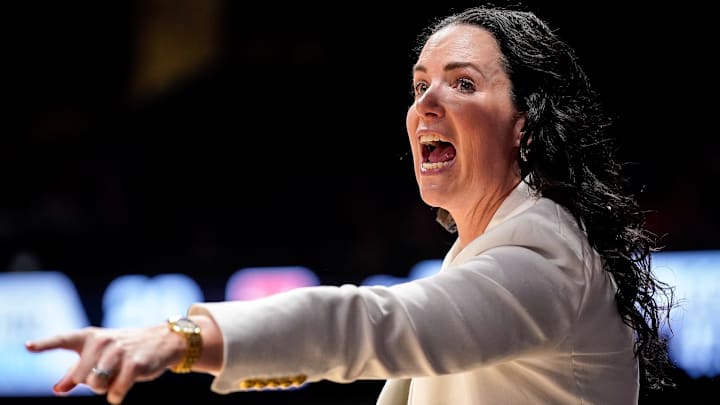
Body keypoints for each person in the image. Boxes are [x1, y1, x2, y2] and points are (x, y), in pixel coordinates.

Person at [25, 4, 677, 404]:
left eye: (462, 82)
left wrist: (183, 337)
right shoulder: (484, 252)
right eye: (419, 85)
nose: (425, 103)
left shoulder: (549, 252)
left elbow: (374, 321)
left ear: (526, 124)